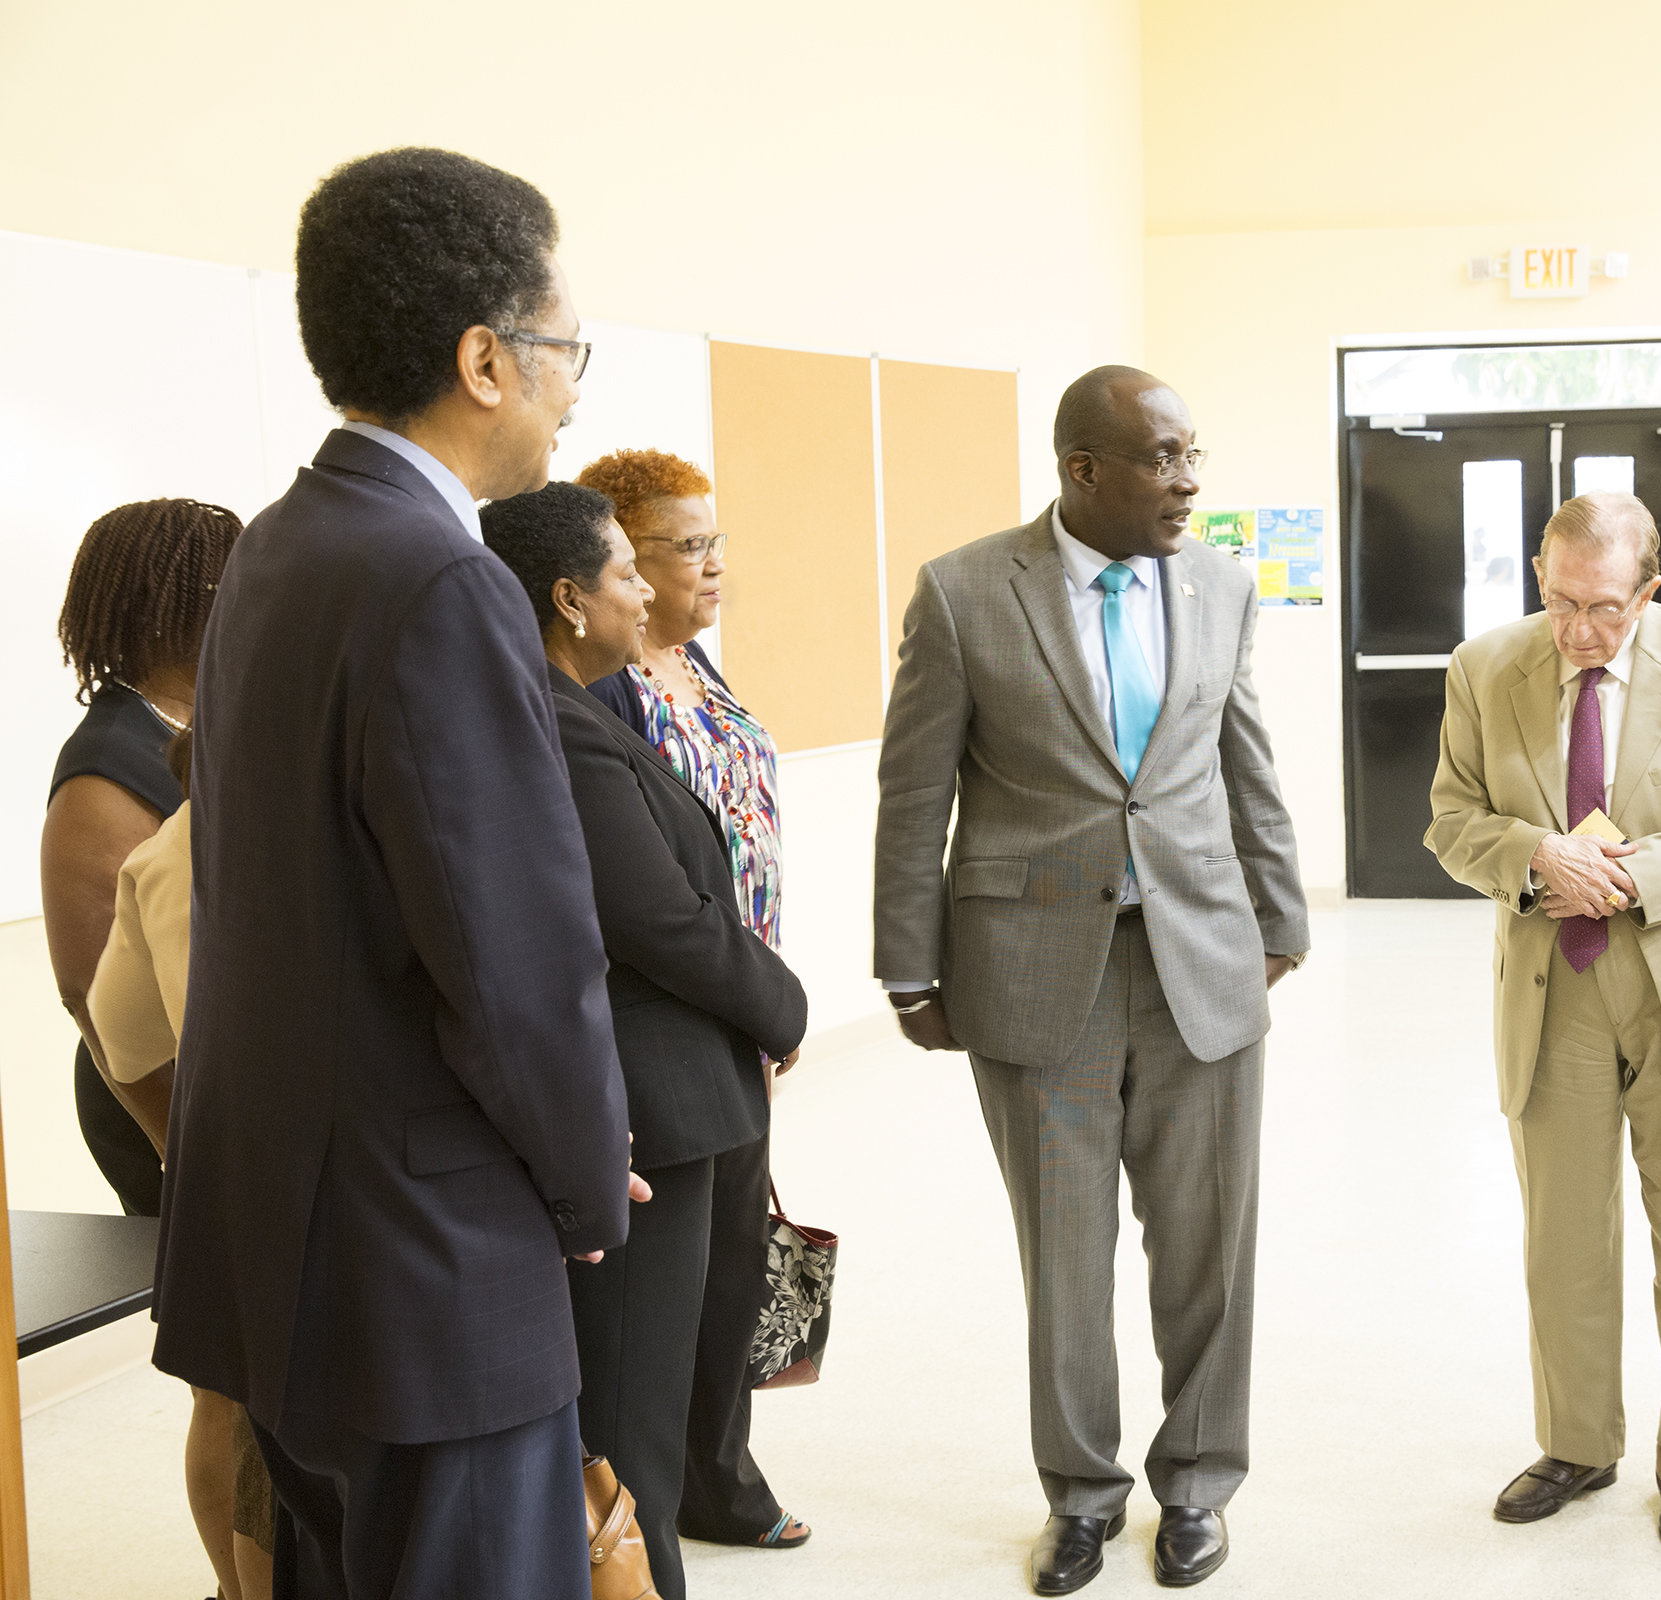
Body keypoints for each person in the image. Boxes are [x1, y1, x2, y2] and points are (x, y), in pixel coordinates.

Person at [154, 147, 636, 1600]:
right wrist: (586, 1183)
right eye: (565, 350)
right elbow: (510, 956)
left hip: (287, 1247)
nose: (574, 385)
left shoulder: (286, 547)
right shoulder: (441, 579)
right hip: (428, 1273)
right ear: (485, 361)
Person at [873, 365, 1308, 1594]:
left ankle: (1199, 1483)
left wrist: (1279, 920)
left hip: (1202, 966)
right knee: (1063, 1256)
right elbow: (917, 792)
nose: (1189, 481)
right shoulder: (965, 593)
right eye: (1165, 459)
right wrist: (908, 967)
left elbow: (1245, 760)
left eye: (1192, 454)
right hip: (1034, 973)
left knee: (1209, 1247)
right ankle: (1081, 1496)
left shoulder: (1220, 585)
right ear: (1084, 471)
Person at [1425, 491, 1661, 1555]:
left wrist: (1642, 871)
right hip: (1556, 985)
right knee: (1564, 1238)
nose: (1579, 631)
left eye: (1603, 607)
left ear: (1649, 589)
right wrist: (1536, 857)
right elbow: (1452, 821)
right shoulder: (1484, 667)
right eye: (1558, 602)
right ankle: (1578, 1441)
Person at [483, 482, 811, 1600]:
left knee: (657, 1403)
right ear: (571, 599)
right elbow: (659, 919)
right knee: (631, 1419)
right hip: (656, 1109)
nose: (646, 587)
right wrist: (783, 1003)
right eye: (629, 568)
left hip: (689, 1091)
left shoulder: (578, 704)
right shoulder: (561, 726)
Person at [573, 449, 811, 1552]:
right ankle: (672, 1495)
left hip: (742, 1000)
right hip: (691, 1004)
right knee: (674, 1292)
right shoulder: (602, 694)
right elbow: (647, 899)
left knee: (735, 1267)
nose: (715, 564)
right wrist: (761, 995)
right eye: (686, 547)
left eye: (718, 541)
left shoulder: (696, 666)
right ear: (612, 564)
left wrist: (764, 994)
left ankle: (719, 1464)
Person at [86, 725, 275, 1600]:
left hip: (221, 1178)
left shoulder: (163, 852)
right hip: (345, 1188)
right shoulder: (329, 841)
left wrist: (184, 1151)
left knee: (226, 1412)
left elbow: (119, 1037)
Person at [41, 497, 241, 1215]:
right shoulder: (104, 771)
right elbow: (88, 994)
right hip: (153, 1102)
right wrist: (181, 1148)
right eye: (231, 584)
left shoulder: (208, 722)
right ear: (169, 605)